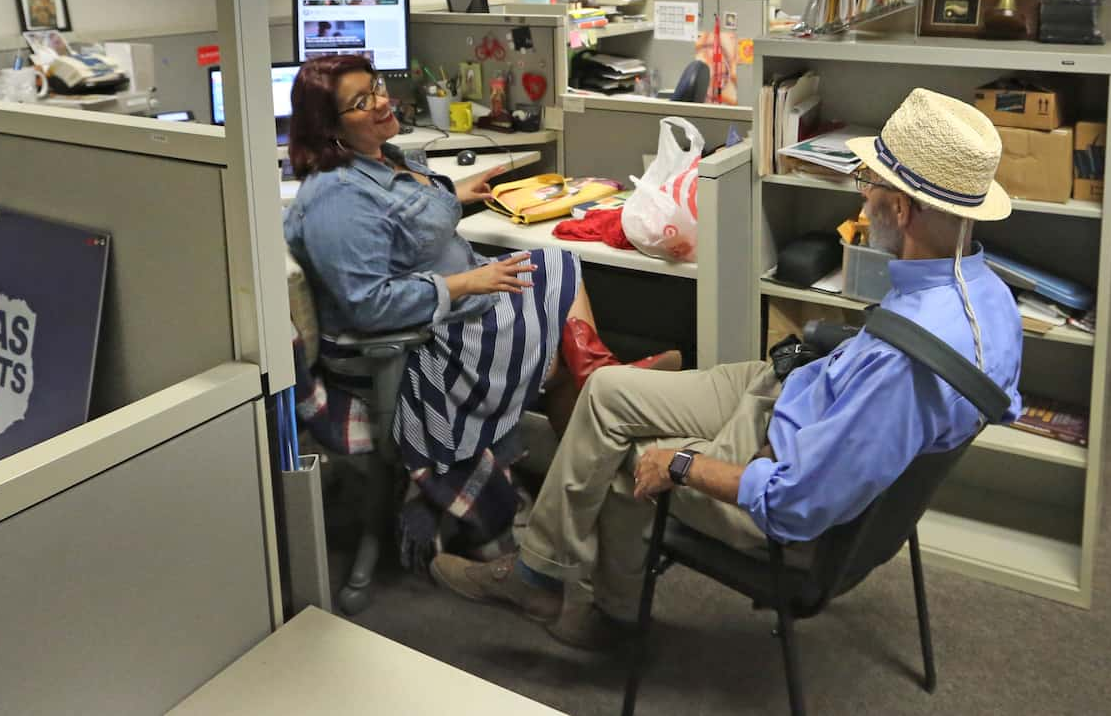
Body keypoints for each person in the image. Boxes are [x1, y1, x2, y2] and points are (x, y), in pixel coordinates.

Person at [431, 88, 1024, 649]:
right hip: (795, 392)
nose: (860, 199)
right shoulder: (991, 300)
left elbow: (797, 502)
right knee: (606, 391)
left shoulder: (904, 365)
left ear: (900, 206)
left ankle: (593, 613)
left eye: (868, 184)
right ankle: (539, 569)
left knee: (620, 464)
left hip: (780, 460)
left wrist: (683, 463)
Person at [282, 54, 680, 562]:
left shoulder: (384, 155)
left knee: (556, 264)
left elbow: (405, 212)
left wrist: (454, 192)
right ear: (331, 129)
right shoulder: (337, 200)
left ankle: (596, 380)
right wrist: (467, 282)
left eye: (376, 87)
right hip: (417, 348)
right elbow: (369, 306)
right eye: (361, 102)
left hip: (459, 308)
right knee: (559, 359)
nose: (382, 101)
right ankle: (593, 457)